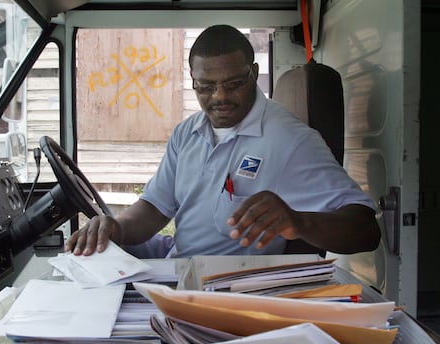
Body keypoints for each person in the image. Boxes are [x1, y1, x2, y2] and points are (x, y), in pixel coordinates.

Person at [65, 24, 381, 258]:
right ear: (192, 82)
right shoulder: (187, 132)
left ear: (254, 74)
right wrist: (114, 227)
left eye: (233, 84)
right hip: (178, 262)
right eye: (206, 87)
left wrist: (297, 222)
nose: (220, 98)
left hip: (226, 289)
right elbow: (154, 208)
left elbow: (366, 231)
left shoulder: (291, 141)